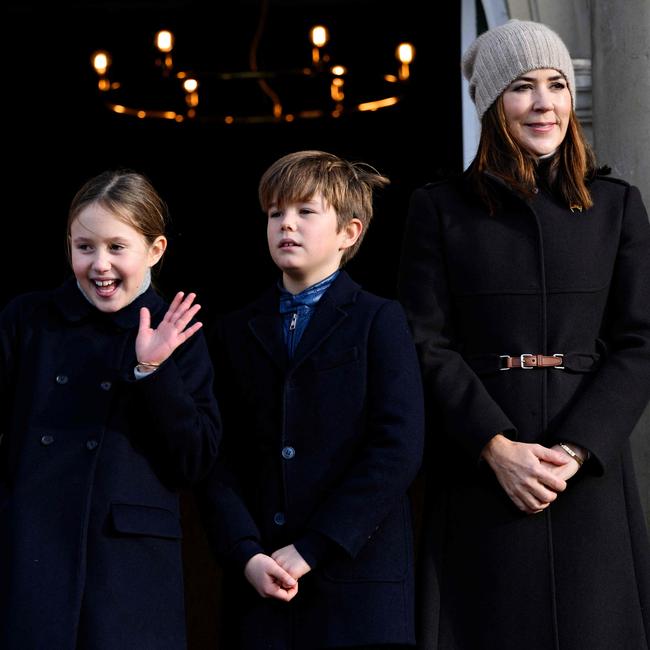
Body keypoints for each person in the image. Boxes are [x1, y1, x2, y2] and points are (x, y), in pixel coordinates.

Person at [398, 19, 650, 650]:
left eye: (557, 84)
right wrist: (494, 446)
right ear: (490, 104)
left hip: (585, 477)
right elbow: (424, 339)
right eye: (521, 87)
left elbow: (639, 340)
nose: (544, 103)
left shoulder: (616, 205)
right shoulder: (438, 208)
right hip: (480, 472)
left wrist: (575, 451)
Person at [198, 150, 425, 649]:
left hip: (357, 589)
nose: (286, 225)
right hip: (260, 589)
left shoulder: (379, 321)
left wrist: (314, 545)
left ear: (350, 232)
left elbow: (397, 447)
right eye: (276, 213)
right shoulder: (235, 330)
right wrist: (245, 553)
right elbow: (218, 456)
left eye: (305, 211)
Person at [0, 169, 221, 650]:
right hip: (32, 556)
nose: (100, 264)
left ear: (155, 250)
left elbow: (195, 460)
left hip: (128, 569)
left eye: (117, 247)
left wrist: (153, 368)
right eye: (85, 247)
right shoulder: (28, 320)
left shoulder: (177, 328)